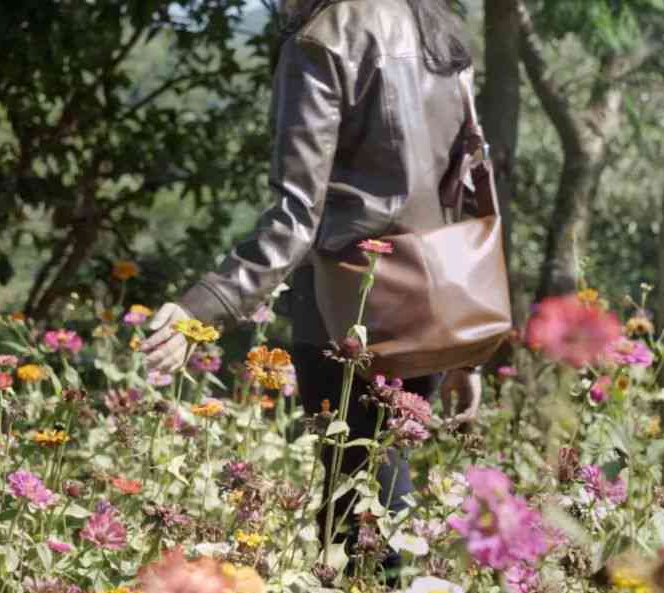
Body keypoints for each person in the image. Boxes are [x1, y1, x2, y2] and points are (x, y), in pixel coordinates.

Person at [140, 0, 482, 560]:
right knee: (378, 497)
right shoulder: (440, 33)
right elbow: (463, 193)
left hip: (347, 311)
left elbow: (295, 219)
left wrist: (201, 308)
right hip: (435, 298)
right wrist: (467, 347)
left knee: (358, 523)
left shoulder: (322, 41)